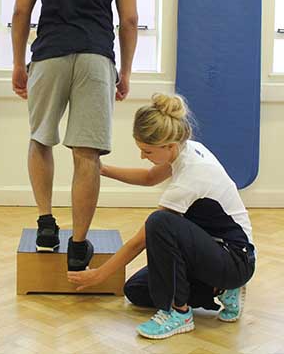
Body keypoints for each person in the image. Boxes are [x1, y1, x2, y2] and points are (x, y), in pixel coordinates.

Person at [10, 0, 139, 272]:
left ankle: (47, 224)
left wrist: (18, 63)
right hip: (96, 57)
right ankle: (79, 244)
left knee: (40, 138)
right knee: (87, 154)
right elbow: (129, 20)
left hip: (48, 54)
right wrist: (125, 71)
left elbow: (21, 10)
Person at [67, 93, 256, 339]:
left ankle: (179, 314)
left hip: (234, 259)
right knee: (136, 291)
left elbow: (141, 240)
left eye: (147, 151)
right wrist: (100, 169)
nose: (143, 156)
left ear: (169, 146)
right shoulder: (185, 149)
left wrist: (99, 275)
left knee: (159, 223)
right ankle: (220, 288)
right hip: (211, 251)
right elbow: (148, 177)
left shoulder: (192, 177)